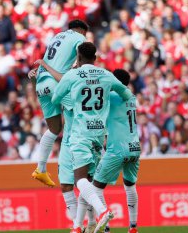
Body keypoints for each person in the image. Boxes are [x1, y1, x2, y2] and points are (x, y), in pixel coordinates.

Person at [51, 43, 134, 233]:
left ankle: (102, 212)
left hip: (80, 134)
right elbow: (126, 94)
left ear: (78, 58)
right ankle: (78, 227)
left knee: (79, 179)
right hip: (99, 135)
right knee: (90, 181)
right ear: (95, 58)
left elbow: (55, 98)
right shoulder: (106, 75)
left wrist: (71, 97)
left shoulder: (72, 75)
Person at [32, 19, 89, 187]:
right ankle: (77, 158)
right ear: (81, 30)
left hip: (41, 83)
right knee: (81, 109)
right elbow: (83, 56)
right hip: (55, 83)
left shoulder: (56, 37)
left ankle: (40, 169)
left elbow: (49, 61)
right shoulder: (80, 37)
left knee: (54, 128)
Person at [92, 69, 140, 233]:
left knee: (95, 187)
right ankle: (133, 227)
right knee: (130, 186)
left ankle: (106, 229)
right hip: (134, 148)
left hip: (117, 149)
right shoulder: (132, 97)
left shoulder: (111, 97)